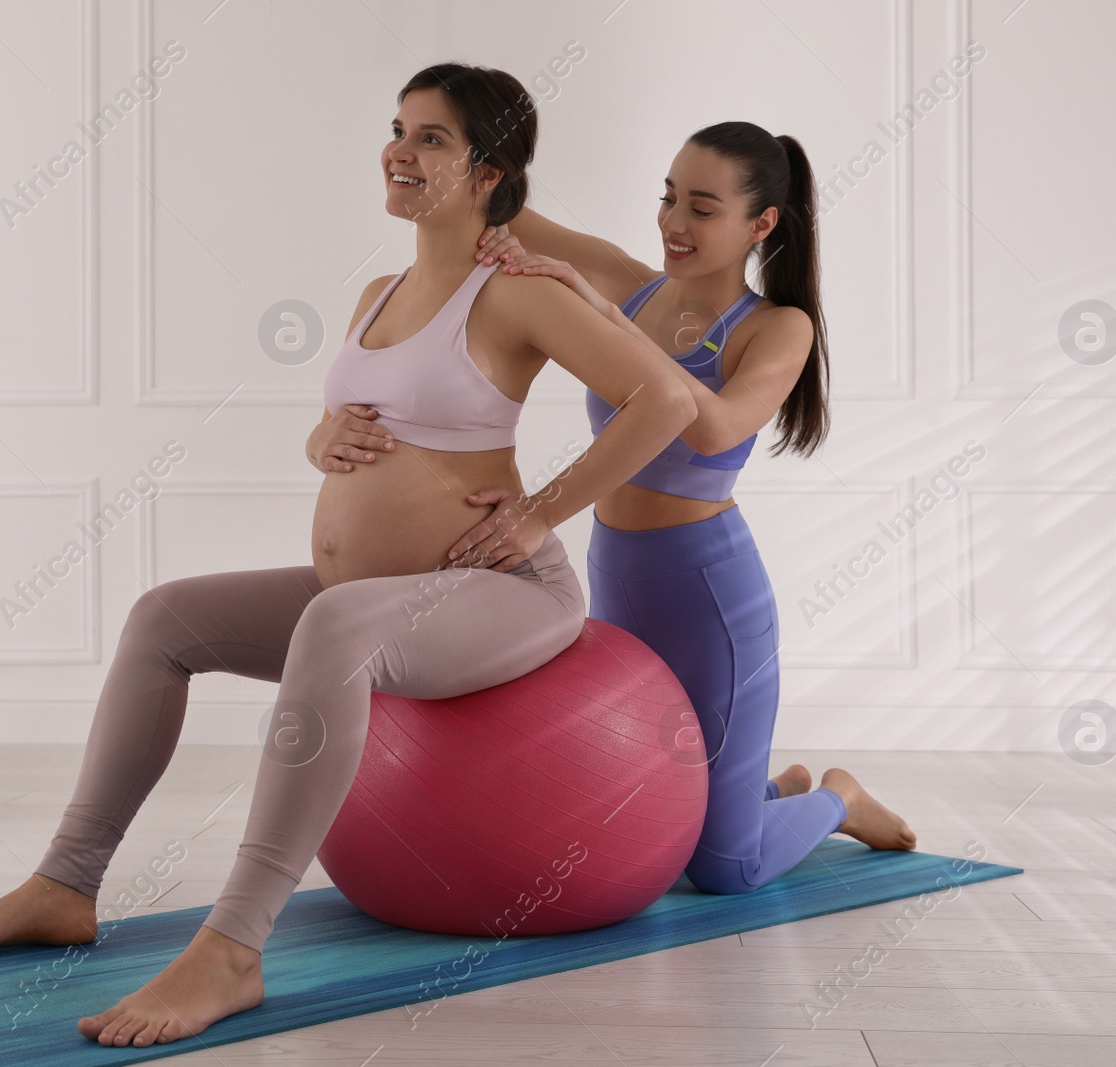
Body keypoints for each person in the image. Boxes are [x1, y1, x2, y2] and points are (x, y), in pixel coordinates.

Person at [0, 63, 696, 1050]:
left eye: (433, 139)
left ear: (490, 173)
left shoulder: (517, 291)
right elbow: (385, 422)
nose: (399, 151)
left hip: (497, 594)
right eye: (398, 129)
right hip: (374, 591)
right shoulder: (379, 291)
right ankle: (65, 881)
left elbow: (664, 399)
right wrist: (321, 439)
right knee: (164, 617)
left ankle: (234, 945)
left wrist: (540, 513)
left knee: (334, 622)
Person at [313, 121, 916, 901]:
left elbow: (712, 425)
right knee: (641, 797)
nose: (673, 223)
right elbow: (486, 193)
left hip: (709, 595)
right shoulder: (627, 279)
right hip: (614, 571)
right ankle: (768, 790)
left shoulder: (777, 327)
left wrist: (602, 312)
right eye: (668, 198)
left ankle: (835, 796)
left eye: (702, 208)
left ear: (760, 225)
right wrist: (438, 133)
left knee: (724, 872)